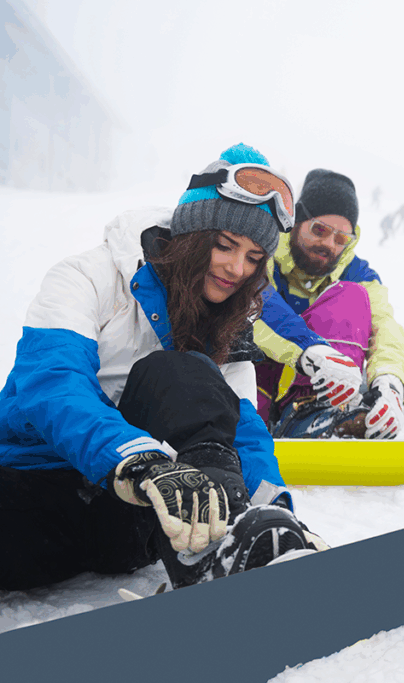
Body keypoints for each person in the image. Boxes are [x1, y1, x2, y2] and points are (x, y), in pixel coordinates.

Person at [0, 143, 327, 592]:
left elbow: (243, 431)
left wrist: (277, 514)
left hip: (138, 519)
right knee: (171, 370)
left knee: (184, 371)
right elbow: (53, 383)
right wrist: (136, 460)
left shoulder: (230, 323)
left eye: (254, 258)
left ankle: (219, 554)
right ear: (192, 235)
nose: (237, 268)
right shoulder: (87, 277)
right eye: (225, 245)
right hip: (36, 489)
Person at [254, 169, 404, 440]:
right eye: (320, 230)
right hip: (254, 374)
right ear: (298, 220)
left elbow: (385, 327)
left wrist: (390, 381)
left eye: (341, 239)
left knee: (352, 297)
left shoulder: (357, 274)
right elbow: (255, 304)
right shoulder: (261, 251)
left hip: (316, 391)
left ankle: (316, 413)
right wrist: (309, 349)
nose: (328, 244)